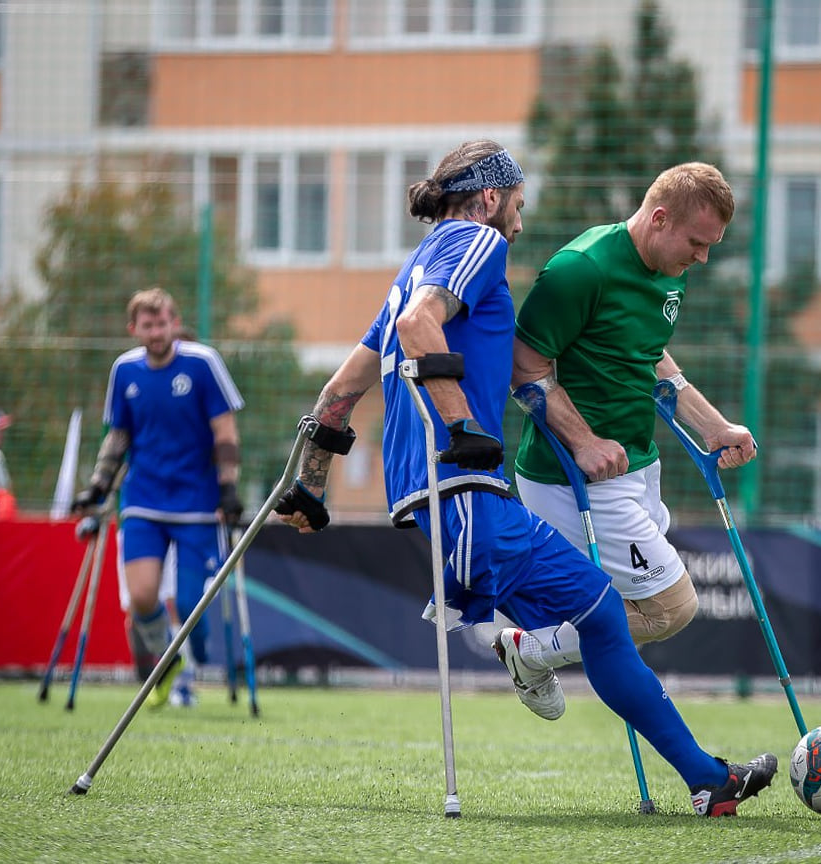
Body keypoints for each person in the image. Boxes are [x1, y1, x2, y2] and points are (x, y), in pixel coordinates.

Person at [273, 140, 776, 817]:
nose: (520, 214)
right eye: (516, 200)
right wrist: (462, 429)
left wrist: (310, 478)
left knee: (599, 613)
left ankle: (697, 772)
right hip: (465, 490)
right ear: (489, 197)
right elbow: (418, 326)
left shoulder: (415, 263)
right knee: (606, 611)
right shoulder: (477, 248)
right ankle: (704, 778)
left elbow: (340, 389)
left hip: (433, 496)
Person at [508, 162, 756, 667]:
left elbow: (650, 354)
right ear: (660, 218)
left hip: (638, 466)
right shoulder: (581, 268)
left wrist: (712, 426)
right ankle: (529, 652)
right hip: (572, 476)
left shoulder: (670, 271)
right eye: (697, 243)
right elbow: (523, 365)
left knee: (642, 603)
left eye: (712, 246)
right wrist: (583, 442)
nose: (703, 258)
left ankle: (534, 642)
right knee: (671, 607)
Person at [72, 287, 244, 708]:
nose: (156, 332)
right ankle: (170, 663)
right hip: (143, 498)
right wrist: (98, 485)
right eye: (147, 325)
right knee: (144, 596)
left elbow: (225, 432)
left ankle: (194, 654)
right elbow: (119, 436)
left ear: (174, 322)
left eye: (163, 323)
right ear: (135, 329)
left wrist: (229, 488)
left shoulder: (203, 364)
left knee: (189, 603)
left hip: (197, 502)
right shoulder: (125, 371)